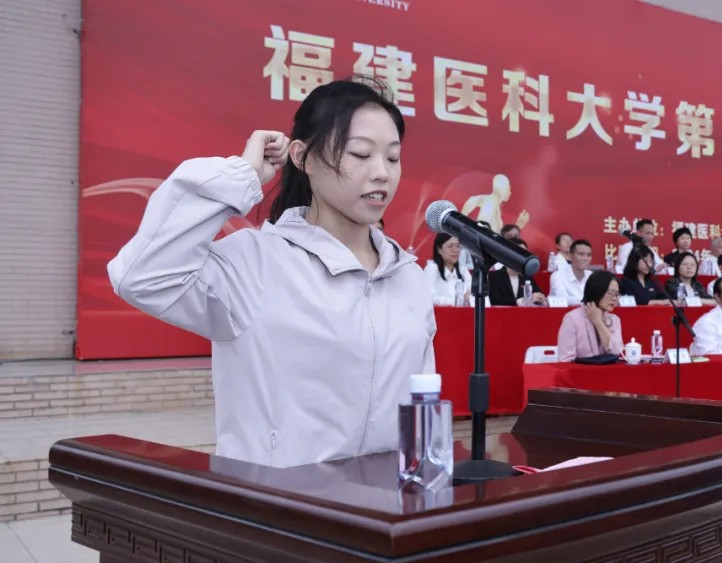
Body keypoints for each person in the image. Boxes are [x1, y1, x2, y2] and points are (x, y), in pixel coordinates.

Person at [106, 80, 435, 468]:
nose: (382, 173)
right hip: (276, 499)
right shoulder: (254, 263)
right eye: (360, 154)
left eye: (393, 158)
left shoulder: (408, 277)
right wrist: (242, 175)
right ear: (303, 157)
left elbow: (421, 409)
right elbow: (142, 276)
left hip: (387, 500)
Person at [555, 271, 624, 361]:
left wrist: (598, 322)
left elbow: (617, 351)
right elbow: (565, 360)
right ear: (597, 290)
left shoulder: (614, 319)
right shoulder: (572, 319)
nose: (614, 298)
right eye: (611, 292)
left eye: (617, 294)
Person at [489, 238, 548, 307]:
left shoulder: (527, 277)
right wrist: (519, 301)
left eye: (525, 253)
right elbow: (495, 300)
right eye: (520, 253)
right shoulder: (495, 276)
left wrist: (539, 298)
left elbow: (538, 296)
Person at [425, 233, 472, 304]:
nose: (455, 250)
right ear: (439, 249)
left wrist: (466, 299)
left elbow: (472, 296)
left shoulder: (463, 271)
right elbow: (428, 298)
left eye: (458, 246)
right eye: (450, 246)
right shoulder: (432, 269)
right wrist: (459, 300)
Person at [549, 239, 594, 305]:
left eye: (589, 255)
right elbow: (562, 299)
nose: (585, 258)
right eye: (581, 254)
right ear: (570, 256)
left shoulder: (592, 276)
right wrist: (588, 302)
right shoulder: (557, 276)